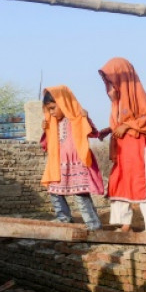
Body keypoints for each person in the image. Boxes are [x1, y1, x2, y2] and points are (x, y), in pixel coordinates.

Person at [97, 57, 146, 232]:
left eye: (111, 78)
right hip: (122, 149)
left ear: (122, 76)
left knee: (142, 182)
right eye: (107, 80)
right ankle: (123, 223)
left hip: (136, 146)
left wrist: (127, 126)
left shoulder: (138, 94)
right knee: (119, 182)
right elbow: (119, 123)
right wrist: (110, 130)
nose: (109, 83)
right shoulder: (117, 101)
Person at [40, 86, 104, 231]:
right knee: (54, 192)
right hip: (58, 164)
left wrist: (86, 118)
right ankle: (64, 219)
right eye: (49, 110)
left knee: (80, 195)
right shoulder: (53, 123)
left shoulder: (76, 118)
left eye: (53, 108)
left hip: (77, 163)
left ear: (63, 103)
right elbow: (46, 145)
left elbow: (92, 133)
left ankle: (93, 224)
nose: (51, 112)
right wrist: (45, 129)